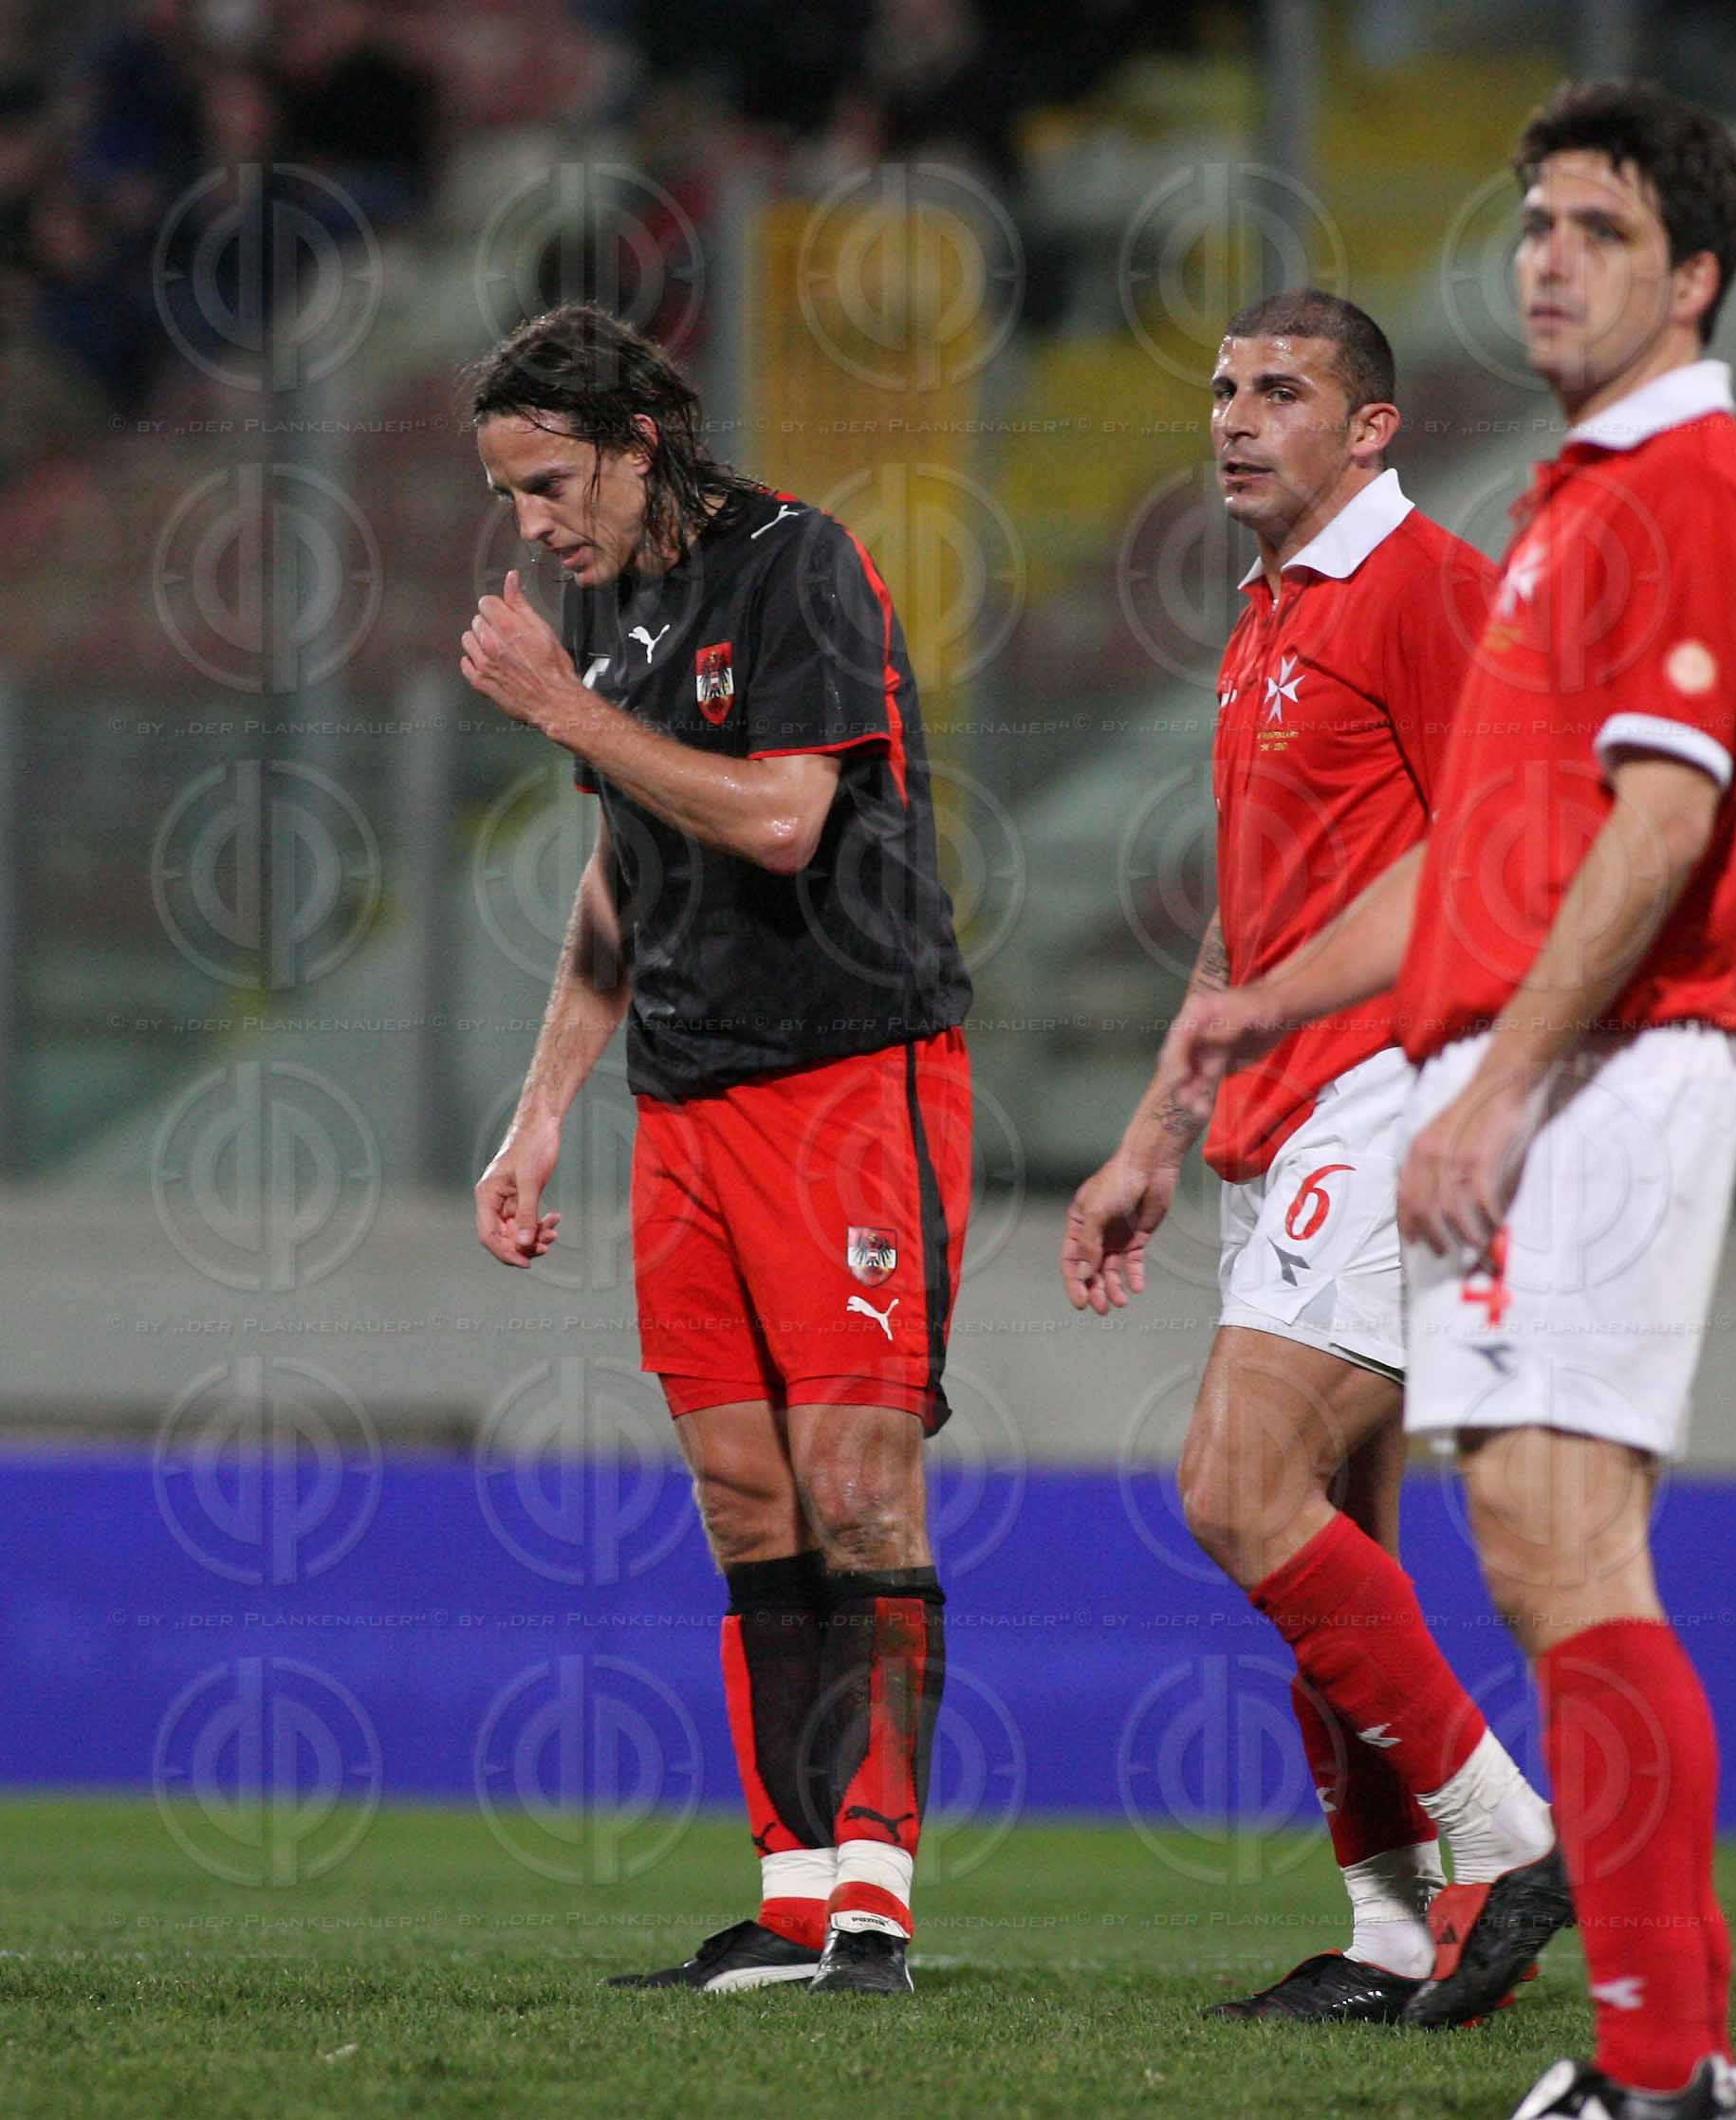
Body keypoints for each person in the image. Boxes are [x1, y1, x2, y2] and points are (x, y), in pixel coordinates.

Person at [1165, 83, 1736, 2120]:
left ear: (1692, 277)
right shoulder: (1574, 502)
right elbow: (1473, 864)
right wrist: (1261, 998)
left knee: (1560, 1548)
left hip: (1603, 1069)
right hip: (1511, 1064)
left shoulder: (1687, 489)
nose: (1547, 257)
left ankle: (1654, 2054)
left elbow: (1663, 817)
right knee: (1543, 1545)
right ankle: (1656, 2050)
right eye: (1535, 222)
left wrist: (1494, 1081)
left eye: (1599, 229)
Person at [1062, 287, 1571, 2025]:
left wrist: (1488, 1103)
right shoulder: (1267, 615)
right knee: (1328, 1525)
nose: (1231, 415)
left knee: (1231, 1484)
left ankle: (1502, 1835)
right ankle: (1382, 1935)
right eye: (1218, 388)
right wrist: (1149, 1139)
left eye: (1279, 390)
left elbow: (1508, 856)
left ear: (1372, 428)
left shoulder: (1432, 590)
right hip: (1281, 1116)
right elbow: (1248, 920)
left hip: (1392, 1091)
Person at [461, 304, 971, 1999]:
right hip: (681, 1102)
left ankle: (882, 1908)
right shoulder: (605, 614)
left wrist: (563, 712)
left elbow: (778, 816)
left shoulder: (797, 566)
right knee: (747, 1504)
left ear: (636, 439)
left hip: (845, 1078)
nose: (535, 526)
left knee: (852, 1483)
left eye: (548, 484)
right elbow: (625, 875)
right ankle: (797, 1895)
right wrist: (540, 1115)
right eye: (513, 497)